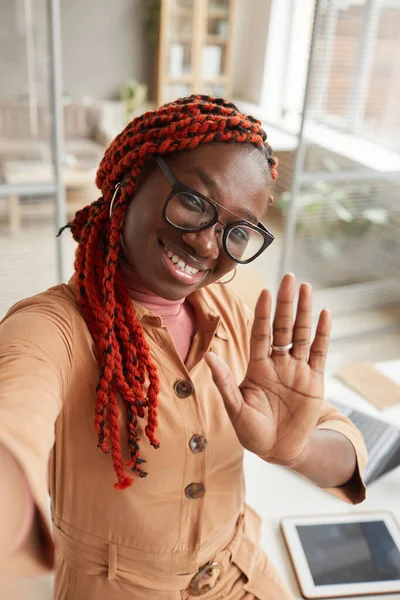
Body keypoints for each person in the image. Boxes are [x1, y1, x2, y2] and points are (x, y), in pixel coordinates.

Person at [0, 95, 367, 600]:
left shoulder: (234, 306)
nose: (208, 247)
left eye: (237, 230)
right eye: (194, 201)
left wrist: (298, 449)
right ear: (129, 184)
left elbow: (342, 445)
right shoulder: (53, 330)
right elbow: (14, 419)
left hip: (243, 576)